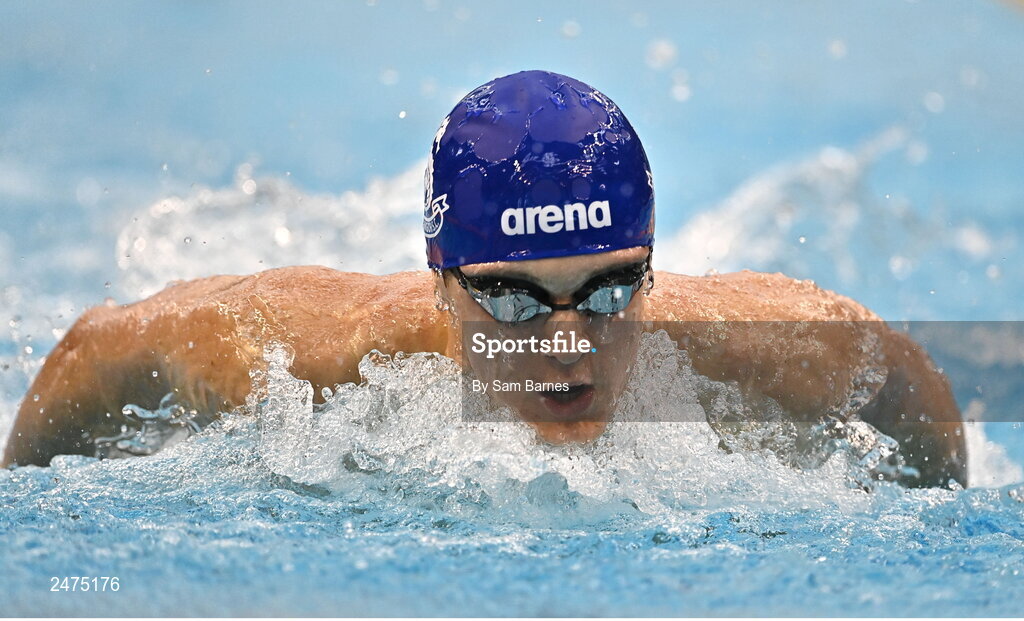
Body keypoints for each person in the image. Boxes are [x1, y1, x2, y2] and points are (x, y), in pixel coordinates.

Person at [1, 70, 966, 487]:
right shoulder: (329, 358)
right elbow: (100, 349)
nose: (567, 344)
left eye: (609, 289)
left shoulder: (766, 351)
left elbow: (903, 380)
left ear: (650, 264)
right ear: (440, 281)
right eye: (510, 295)